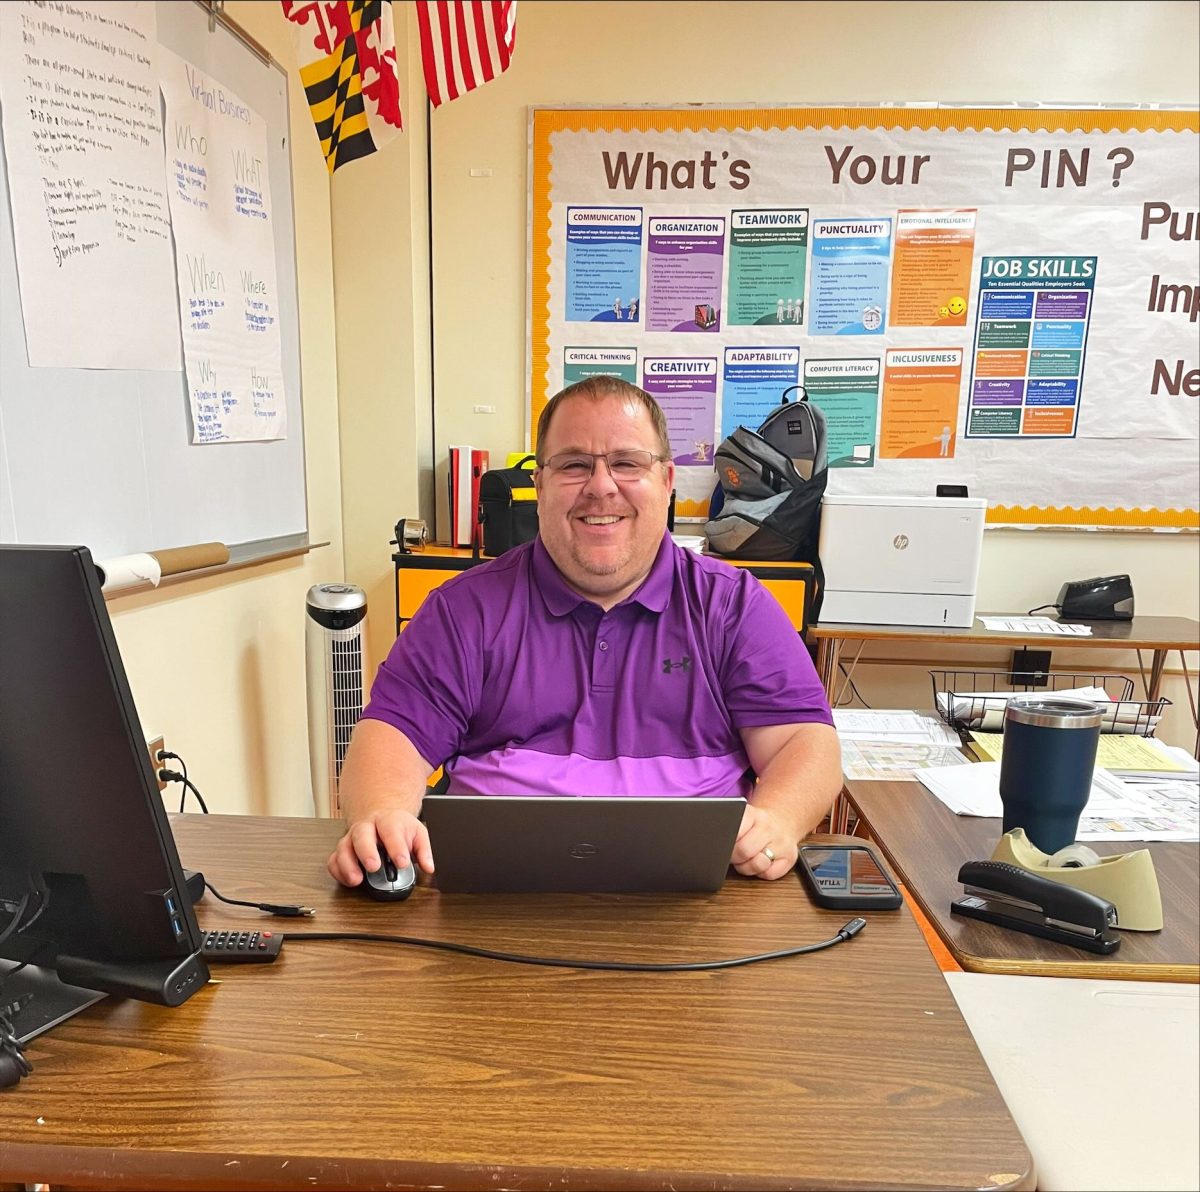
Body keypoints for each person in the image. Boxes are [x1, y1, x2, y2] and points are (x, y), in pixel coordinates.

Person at [327, 376, 841, 890]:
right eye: (574, 464)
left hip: (704, 901)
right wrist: (383, 815)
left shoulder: (734, 607)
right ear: (541, 485)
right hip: (492, 899)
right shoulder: (464, 610)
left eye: (627, 463)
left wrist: (777, 818)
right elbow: (391, 737)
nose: (601, 486)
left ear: (666, 482)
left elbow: (804, 742)